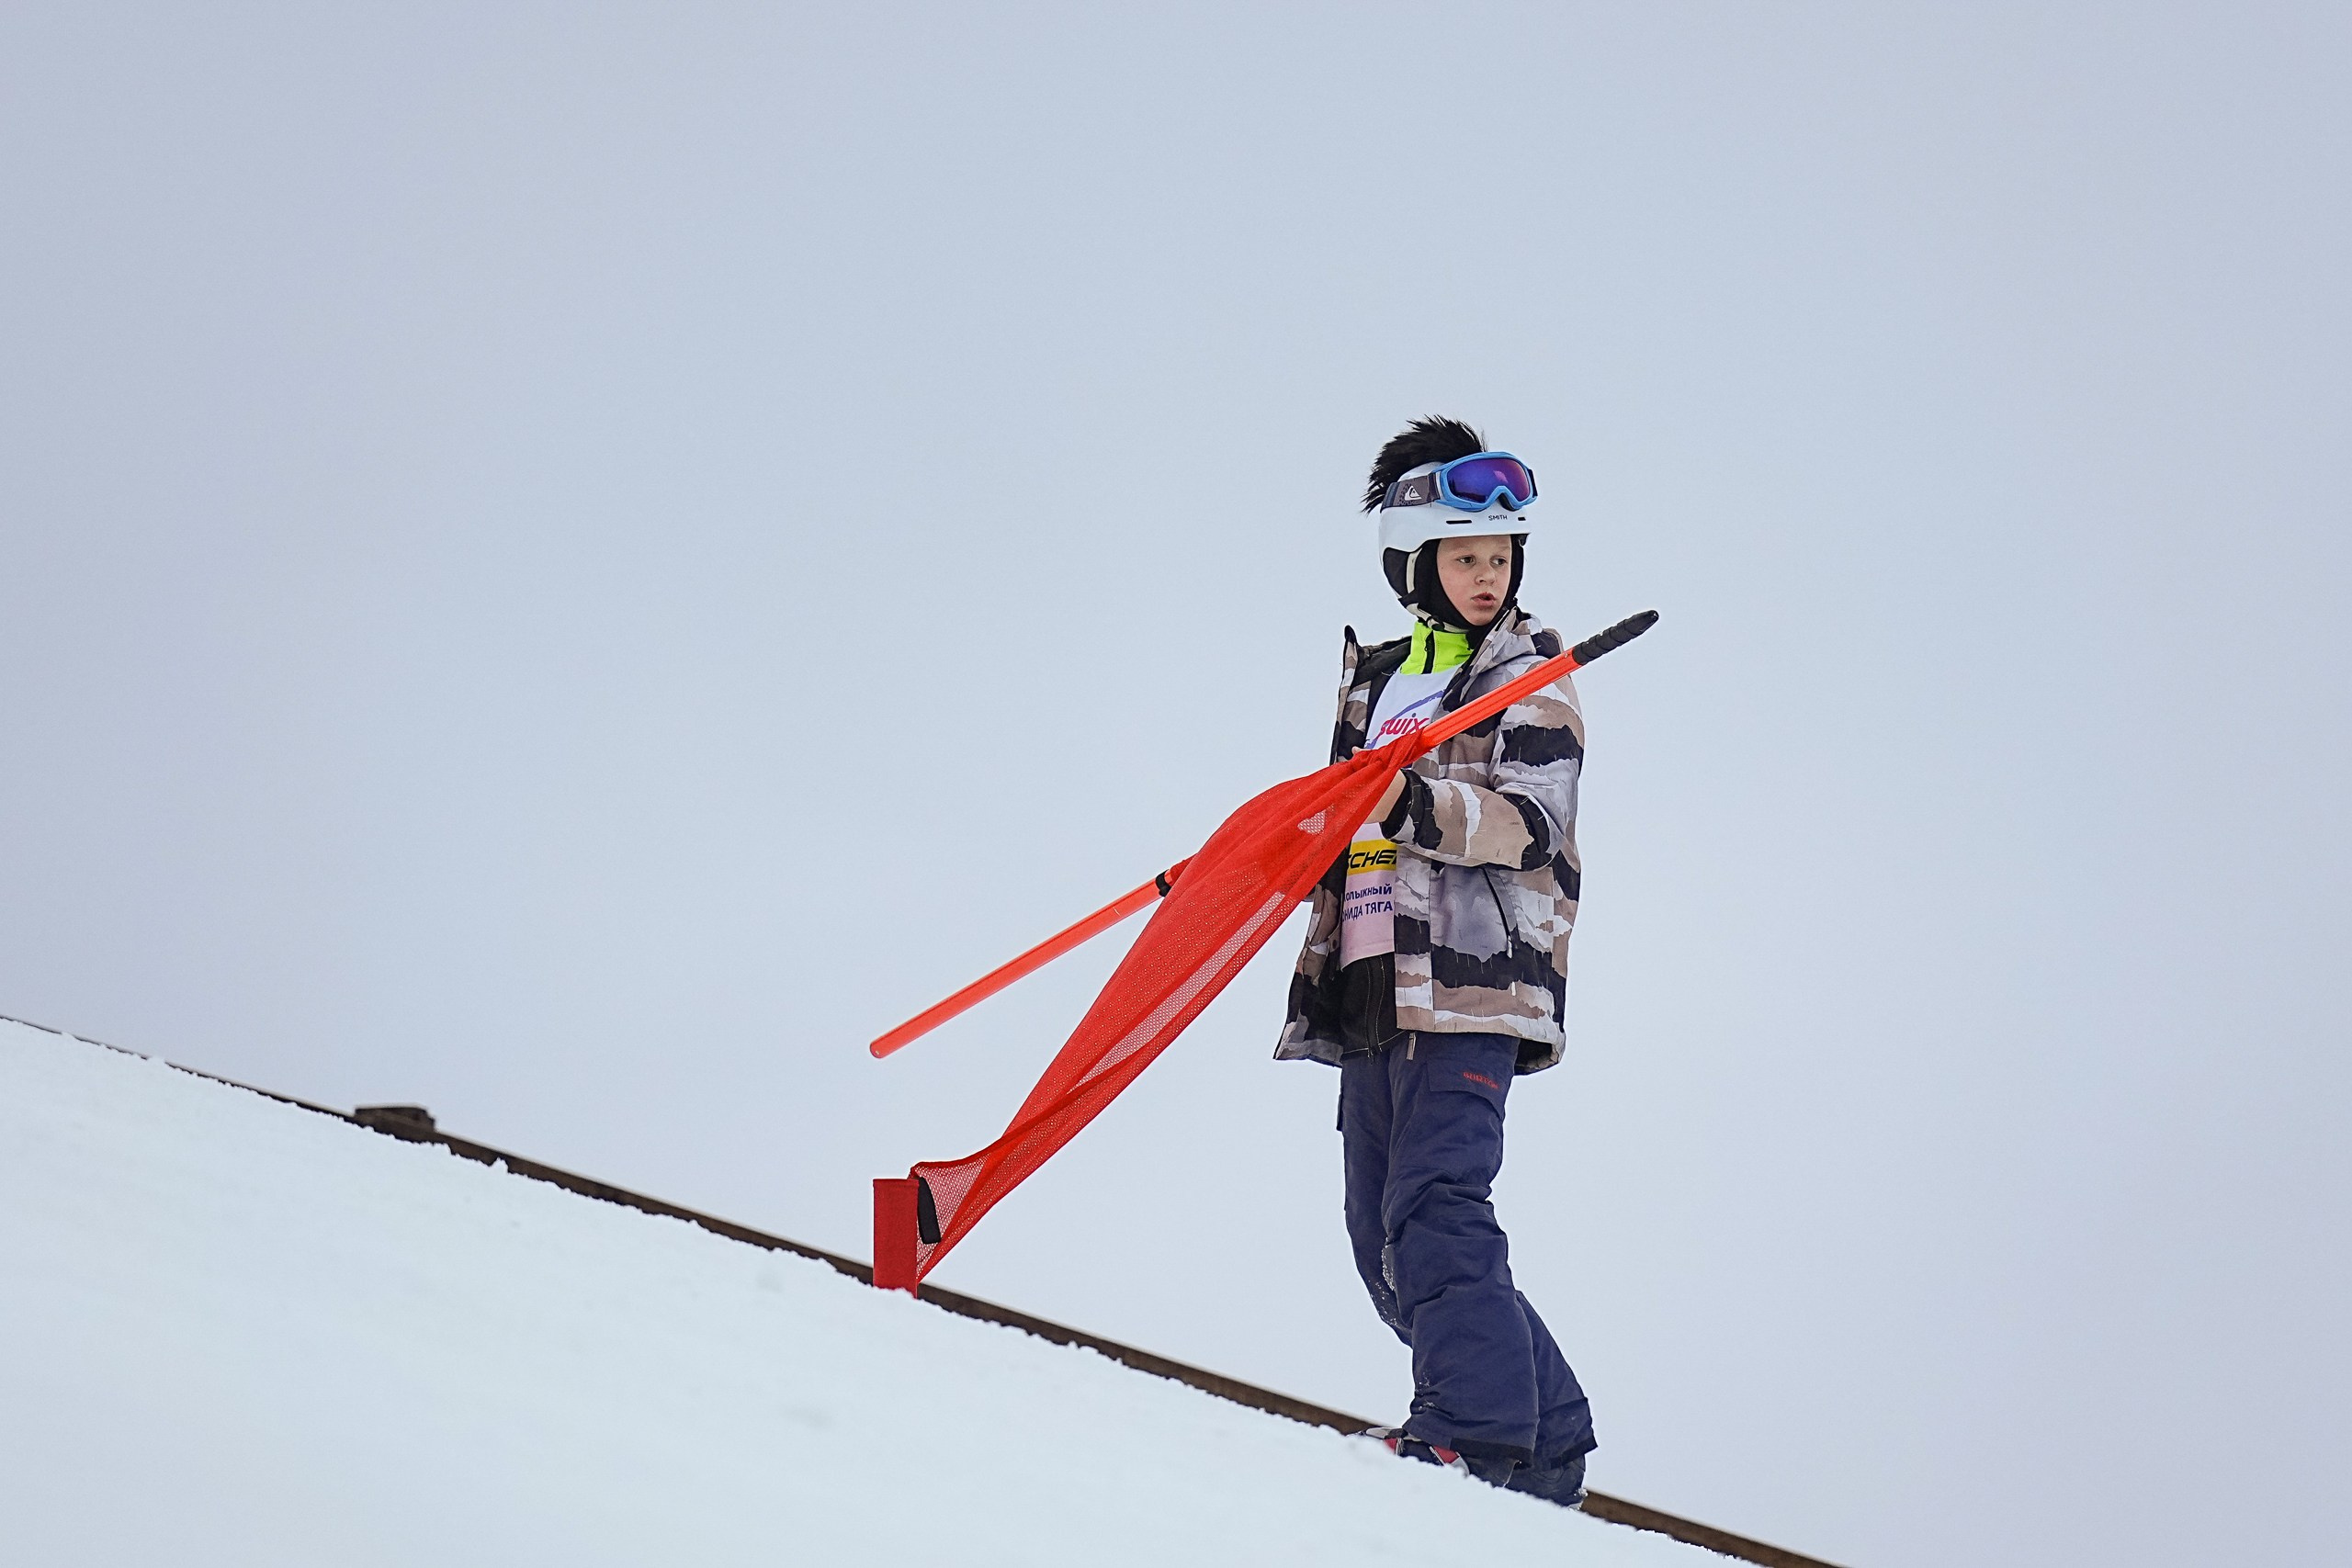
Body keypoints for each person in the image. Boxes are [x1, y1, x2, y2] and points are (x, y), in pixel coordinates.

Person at [1275, 416, 1597, 1505]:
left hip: (1470, 983)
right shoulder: (1375, 686)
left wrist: (1407, 801)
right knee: (1383, 1243)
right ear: (1413, 563)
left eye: (1500, 556)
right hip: (1369, 979)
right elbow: (1336, 824)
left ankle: (1470, 1430)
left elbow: (1531, 822)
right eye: (1463, 557)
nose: (1486, 576)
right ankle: (1548, 1440)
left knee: (1436, 1205)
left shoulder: (1529, 676)